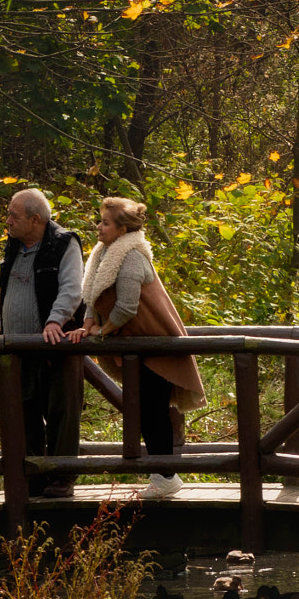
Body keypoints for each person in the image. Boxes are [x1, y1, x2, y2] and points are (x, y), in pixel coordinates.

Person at [68, 197, 206, 498]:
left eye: (105, 223)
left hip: (157, 344)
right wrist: (88, 323)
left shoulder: (131, 257)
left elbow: (127, 308)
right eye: (100, 221)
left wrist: (102, 331)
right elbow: (91, 294)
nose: (99, 227)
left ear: (123, 228)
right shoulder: (104, 253)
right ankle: (163, 475)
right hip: (139, 346)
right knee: (145, 410)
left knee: (153, 411)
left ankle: (166, 476)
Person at [0, 188, 84, 497]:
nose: (7, 220)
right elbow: (8, 290)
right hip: (19, 349)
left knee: (62, 411)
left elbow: (73, 289)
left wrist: (54, 321)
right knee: (25, 414)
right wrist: (1, 325)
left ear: (35, 220)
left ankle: (61, 478)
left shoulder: (62, 244)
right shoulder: (13, 246)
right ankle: (32, 478)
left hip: (56, 346)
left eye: (13, 216)